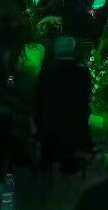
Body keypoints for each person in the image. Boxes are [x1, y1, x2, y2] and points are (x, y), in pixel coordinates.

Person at [36, 37, 94, 175]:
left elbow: (37, 102)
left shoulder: (46, 73)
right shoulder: (82, 73)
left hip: (49, 131)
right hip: (75, 131)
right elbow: (85, 102)